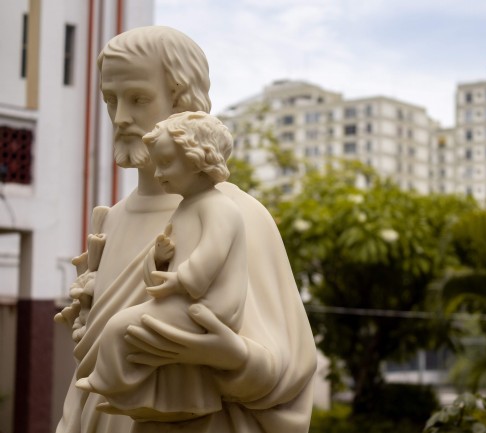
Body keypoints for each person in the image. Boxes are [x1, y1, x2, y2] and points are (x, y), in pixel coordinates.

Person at [55, 26, 316, 433]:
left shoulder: (237, 213)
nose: (120, 118)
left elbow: (287, 374)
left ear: (181, 100)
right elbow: (84, 376)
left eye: (138, 98)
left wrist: (230, 357)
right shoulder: (112, 220)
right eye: (111, 100)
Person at [76, 112, 248, 423]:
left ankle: (111, 384)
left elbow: (211, 254)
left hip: (208, 306)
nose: (158, 174)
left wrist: (181, 280)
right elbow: (174, 258)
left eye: (166, 163)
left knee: (121, 326)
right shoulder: (186, 207)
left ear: (198, 160)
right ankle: (134, 394)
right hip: (185, 297)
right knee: (131, 331)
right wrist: (158, 258)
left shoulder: (220, 207)